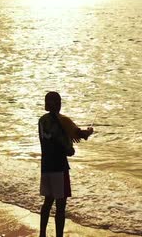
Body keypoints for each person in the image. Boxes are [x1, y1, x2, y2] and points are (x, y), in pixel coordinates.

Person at [38, 91, 93, 237]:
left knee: (48, 202)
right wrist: (89, 131)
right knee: (60, 206)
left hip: (46, 167)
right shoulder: (63, 120)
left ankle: (42, 234)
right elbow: (80, 134)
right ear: (58, 104)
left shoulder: (42, 121)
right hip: (59, 167)